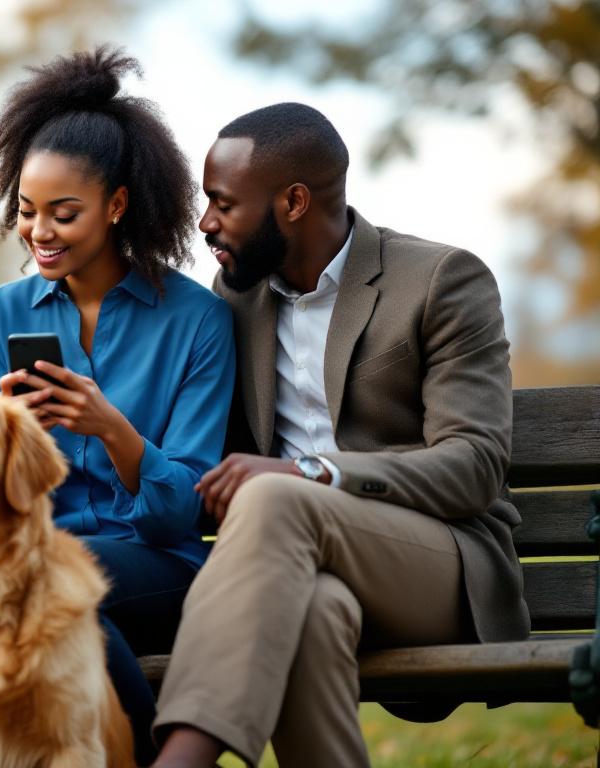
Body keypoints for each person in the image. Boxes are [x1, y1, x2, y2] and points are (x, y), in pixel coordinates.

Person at [152, 103, 529, 767]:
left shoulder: (440, 280)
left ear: (294, 202)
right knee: (313, 612)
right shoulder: (237, 298)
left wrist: (311, 473)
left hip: (436, 564)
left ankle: (184, 757)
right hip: (299, 563)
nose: (206, 222)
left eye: (223, 203)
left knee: (275, 497)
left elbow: (473, 465)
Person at [0, 47, 236, 765]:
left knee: (46, 586)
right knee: (40, 604)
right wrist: (9, 438)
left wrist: (111, 428)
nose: (40, 233)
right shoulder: (5, 313)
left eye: (64, 214)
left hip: (160, 565)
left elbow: (181, 511)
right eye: (27, 212)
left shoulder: (197, 322)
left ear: (117, 206)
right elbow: (8, 495)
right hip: (36, 565)